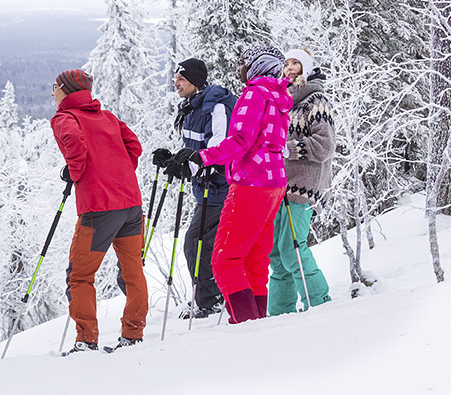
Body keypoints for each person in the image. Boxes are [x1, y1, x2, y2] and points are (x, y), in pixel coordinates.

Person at [172, 46, 292, 324]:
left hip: (251, 181)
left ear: (256, 66)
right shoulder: (279, 96)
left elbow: (240, 141)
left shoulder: (254, 94)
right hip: (274, 183)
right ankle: (257, 321)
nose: (241, 68)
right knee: (253, 258)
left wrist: (202, 156)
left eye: (245, 62)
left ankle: (245, 323)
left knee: (224, 259)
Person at [51, 69, 148, 353]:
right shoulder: (107, 117)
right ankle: (133, 334)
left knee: (80, 276)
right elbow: (134, 145)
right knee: (133, 270)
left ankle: (86, 340)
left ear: (66, 89)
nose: (52, 93)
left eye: (54, 88)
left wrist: (76, 172)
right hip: (131, 204)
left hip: (99, 209)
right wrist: (118, 170)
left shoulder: (65, 118)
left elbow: (74, 143)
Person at [163, 58, 236, 320]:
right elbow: (195, 149)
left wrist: (191, 167)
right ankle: (212, 297)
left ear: (194, 80)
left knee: (196, 243)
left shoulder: (215, 106)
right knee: (200, 244)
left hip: (219, 188)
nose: (176, 83)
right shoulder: (193, 107)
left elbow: (219, 146)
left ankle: (211, 299)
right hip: (205, 186)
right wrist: (175, 160)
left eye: (181, 79)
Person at [267, 48, 335, 315]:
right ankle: (279, 313)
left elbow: (325, 144)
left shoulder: (316, 100)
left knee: (291, 248)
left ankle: (318, 302)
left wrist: (287, 149)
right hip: (279, 186)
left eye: (296, 63)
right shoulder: (282, 101)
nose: (290, 67)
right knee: (276, 253)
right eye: (286, 63)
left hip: (304, 184)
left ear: (306, 68)